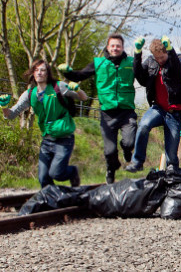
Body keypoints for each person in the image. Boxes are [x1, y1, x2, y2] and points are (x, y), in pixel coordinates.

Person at [57, 33, 137, 183]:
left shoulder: (131, 62)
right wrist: (68, 72)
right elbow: (80, 75)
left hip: (126, 111)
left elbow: (144, 77)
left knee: (129, 142)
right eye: (112, 45)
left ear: (122, 47)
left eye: (118, 45)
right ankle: (111, 170)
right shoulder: (98, 63)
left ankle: (127, 151)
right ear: (107, 47)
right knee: (110, 151)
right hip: (107, 113)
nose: (115, 48)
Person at [1, 60, 87, 188]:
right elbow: (11, 114)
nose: (39, 73)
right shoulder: (29, 94)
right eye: (36, 70)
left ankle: (73, 172)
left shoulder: (59, 87)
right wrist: (4, 106)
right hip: (46, 140)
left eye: (42, 70)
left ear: (47, 73)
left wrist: (78, 89)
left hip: (64, 138)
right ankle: (53, 203)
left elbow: (83, 98)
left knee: (56, 173)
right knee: (43, 179)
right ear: (33, 74)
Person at [126, 36, 181, 172]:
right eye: (157, 58)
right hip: (157, 109)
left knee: (171, 157)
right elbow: (141, 78)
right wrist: (137, 52)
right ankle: (137, 162)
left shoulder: (178, 59)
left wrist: (171, 51)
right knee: (143, 125)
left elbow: (178, 71)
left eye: (162, 57)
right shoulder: (151, 62)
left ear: (167, 52)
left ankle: (172, 172)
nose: (160, 61)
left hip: (174, 112)